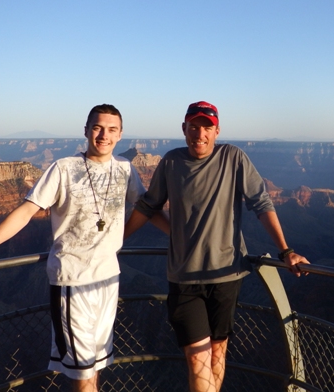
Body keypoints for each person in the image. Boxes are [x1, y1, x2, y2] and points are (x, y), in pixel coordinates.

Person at [0, 104, 167, 392]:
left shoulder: (126, 169)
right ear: (86, 130)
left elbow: (148, 208)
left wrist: (186, 238)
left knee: (95, 368)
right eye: (97, 128)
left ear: (120, 134)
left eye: (111, 130)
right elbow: (25, 212)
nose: (104, 135)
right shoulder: (63, 168)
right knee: (82, 375)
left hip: (109, 279)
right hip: (72, 281)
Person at [126, 100, 309, 392]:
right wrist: (117, 240)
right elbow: (149, 206)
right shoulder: (171, 162)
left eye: (206, 128)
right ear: (184, 129)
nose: (200, 134)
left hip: (228, 275)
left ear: (217, 131)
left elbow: (261, 203)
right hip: (184, 277)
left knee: (217, 352)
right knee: (197, 357)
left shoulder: (233, 157)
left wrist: (286, 251)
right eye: (194, 127)